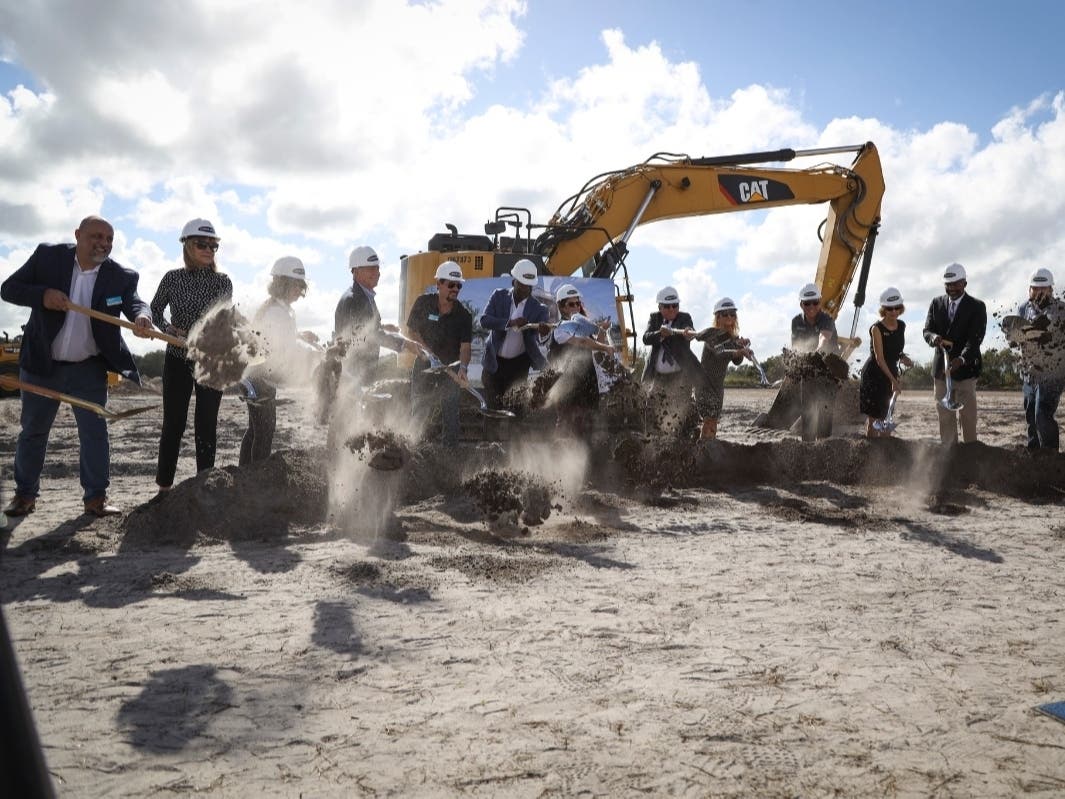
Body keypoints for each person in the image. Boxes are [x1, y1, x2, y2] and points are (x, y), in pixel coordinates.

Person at [1, 216, 152, 518]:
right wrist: (42, 295)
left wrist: (142, 317)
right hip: (43, 365)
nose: (104, 244)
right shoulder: (48, 257)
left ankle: (96, 498)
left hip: (88, 368)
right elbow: (8, 289)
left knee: (95, 433)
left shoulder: (120, 276)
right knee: (33, 431)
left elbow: (135, 303)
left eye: (109, 239)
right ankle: (24, 496)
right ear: (77, 235)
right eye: (96, 236)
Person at [150, 218, 233, 493]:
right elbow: (154, 311)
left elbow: (222, 320)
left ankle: (205, 485)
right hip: (177, 357)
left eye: (213, 245)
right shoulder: (172, 278)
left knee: (206, 424)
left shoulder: (223, 282)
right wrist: (168, 329)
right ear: (187, 246)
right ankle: (164, 488)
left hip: (210, 361)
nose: (209, 249)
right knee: (173, 423)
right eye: (202, 244)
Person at [317, 245, 417, 424]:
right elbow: (369, 335)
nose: (377, 272)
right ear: (355, 271)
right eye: (371, 268)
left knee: (350, 418)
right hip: (354, 370)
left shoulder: (361, 296)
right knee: (349, 419)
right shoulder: (355, 299)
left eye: (378, 268)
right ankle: (338, 451)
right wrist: (403, 345)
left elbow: (364, 328)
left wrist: (384, 327)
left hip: (357, 369)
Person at [239, 257, 321, 465]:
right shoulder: (277, 312)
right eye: (293, 284)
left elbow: (278, 336)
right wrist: (314, 352)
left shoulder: (279, 309)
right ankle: (254, 479)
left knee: (255, 430)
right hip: (259, 379)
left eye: (300, 285)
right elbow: (283, 345)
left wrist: (302, 336)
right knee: (264, 433)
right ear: (281, 284)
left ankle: (243, 476)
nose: (298, 289)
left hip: (257, 378)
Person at [406, 261, 473, 444]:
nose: (455, 289)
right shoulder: (423, 303)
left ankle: (449, 456)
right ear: (439, 284)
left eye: (459, 285)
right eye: (451, 284)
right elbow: (412, 331)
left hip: (450, 369)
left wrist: (463, 368)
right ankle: (412, 450)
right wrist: (429, 354)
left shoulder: (464, 315)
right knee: (419, 411)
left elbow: (465, 347)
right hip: (424, 366)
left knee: (451, 415)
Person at [922, 262, 987, 445]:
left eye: (956, 284)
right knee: (945, 419)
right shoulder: (936, 303)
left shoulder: (977, 306)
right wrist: (933, 337)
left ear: (964, 283)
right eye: (948, 284)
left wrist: (961, 359)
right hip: (942, 374)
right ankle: (949, 456)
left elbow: (975, 340)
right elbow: (927, 330)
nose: (951, 288)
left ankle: (969, 456)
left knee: (968, 419)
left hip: (965, 372)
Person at [479, 259, 550, 409]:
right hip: (494, 364)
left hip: (519, 367)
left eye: (529, 286)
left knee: (516, 413)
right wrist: (510, 323)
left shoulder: (540, 309)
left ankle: (515, 434)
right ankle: (492, 433)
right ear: (513, 282)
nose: (525, 289)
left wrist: (543, 332)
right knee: (492, 412)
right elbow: (484, 321)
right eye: (522, 284)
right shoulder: (498, 296)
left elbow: (542, 337)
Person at [547, 283, 615, 435]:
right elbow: (583, 342)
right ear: (562, 308)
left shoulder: (583, 327)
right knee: (567, 427)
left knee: (588, 430)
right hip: (567, 387)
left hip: (588, 386)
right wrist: (605, 348)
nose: (576, 307)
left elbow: (597, 347)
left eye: (578, 303)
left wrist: (602, 331)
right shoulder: (560, 327)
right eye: (571, 304)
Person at [1011, 268, 1065, 450]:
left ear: (1051, 289)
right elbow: (1015, 336)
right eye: (1035, 289)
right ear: (1029, 290)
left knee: (1042, 415)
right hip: (1029, 373)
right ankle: (1034, 457)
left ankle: (1050, 459)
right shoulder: (1023, 309)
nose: (1039, 292)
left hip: (1051, 374)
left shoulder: (1061, 310)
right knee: (1030, 417)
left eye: (1043, 289)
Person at [641, 286, 704, 435]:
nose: (671, 309)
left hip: (680, 378)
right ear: (660, 307)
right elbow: (646, 338)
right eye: (667, 306)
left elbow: (690, 330)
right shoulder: (654, 318)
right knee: (652, 411)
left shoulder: (684, 318)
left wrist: (688, 333)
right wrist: (660, 334)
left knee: (681, 413)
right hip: (658, 377)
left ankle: (682, 443)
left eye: (675, 306)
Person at [858, 288, 914, 438]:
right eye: (890, 308)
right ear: (884, 309)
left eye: (897, 307)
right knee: (874, 422)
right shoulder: (877, 329)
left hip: (890, 373)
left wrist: (903, 358)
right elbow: (879, 358)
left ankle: (885, 456)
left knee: (886, 418)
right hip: (875, 374)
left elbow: (895, 350)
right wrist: (893, 381)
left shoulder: (901, 326)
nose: (894, 311)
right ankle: (870, 454)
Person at [694, 297, 751, 440]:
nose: (729, 317)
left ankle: (706, 449)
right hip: (704, 386)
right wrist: (738, 350)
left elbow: (737, 361)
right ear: (717, 317)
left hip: (718, 388)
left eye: (732, 314)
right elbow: (720, 352)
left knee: (713, 423)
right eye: (725, 314)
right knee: (709, 421)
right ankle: (703, 452)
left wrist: (741, 346)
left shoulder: (732, 338)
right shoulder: (711, 334)